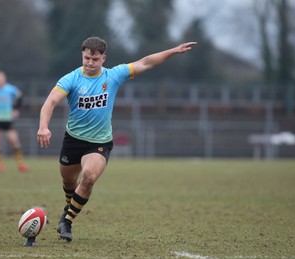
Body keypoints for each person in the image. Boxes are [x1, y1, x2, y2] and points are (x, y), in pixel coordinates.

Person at [29, 37, 196, 246]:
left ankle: (68, 221)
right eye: (87, 58)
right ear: (82, 55)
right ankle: (68, 208)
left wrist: (173, 50)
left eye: (95, 59)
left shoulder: (113, 75)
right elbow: (50, 102)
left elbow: (146, 62)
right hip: (73, 140)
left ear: (103, 58)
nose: (90, 62)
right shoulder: (71, 79)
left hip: (99, 142)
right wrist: (43, 126)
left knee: (88, 177)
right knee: (69, 183)